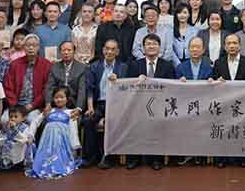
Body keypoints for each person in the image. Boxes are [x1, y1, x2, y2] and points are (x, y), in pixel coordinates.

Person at [126, 34, 177, 170]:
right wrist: (137, 82)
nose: (151, 46)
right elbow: (127, 86)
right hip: (138, 105)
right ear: (143, 48)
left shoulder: (167, 66)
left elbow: (172, 87)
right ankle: (134, 158)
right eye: (148, 44)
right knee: (134, 123)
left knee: (158, 124)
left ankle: (156, 159)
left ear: (159, 47)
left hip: (160, 106)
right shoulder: (134, 65)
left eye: (154, 44)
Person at [211, 33, 245, 168]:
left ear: (240, 45)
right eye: (229, 43)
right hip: (224, 104)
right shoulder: (218, 63)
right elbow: (213, 84)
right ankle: (221, 158)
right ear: (224, 46)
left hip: (243, 105)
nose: (232, 46)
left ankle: (242, 158)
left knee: (243, 130)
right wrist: (217, 82)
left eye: (234, 43)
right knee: (223, 130)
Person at [83, 39, 128, 169]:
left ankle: (109, 158)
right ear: (103, 50)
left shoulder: (123, 67)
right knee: (88, 120)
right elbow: (90, 89)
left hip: (116, 105)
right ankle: (91, 157)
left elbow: (126, 90)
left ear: (117, 52)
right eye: (107, 48)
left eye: (113, 49)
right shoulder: (94, 67)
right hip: (98, 104)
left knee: (112, 121)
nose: (109, 51)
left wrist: (118, 81)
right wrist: (90, 107)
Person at [25, 87, 86, 179]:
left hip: (62, 142)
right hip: (47, 142)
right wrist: (30, 135)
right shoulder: (49, 111)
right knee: (44, 160)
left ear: (67, 99)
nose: (59, 100)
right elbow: (35, 121)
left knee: (60, 159)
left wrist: (74, 146)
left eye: (62, 97)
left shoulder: (71, 112)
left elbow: (73, 130)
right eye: (56, 97)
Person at [4, 34, 52, 123]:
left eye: (34, 45)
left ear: (38, 47)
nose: (31, 48)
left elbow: (46, 89)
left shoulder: (46, 65)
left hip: (35, 106)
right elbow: (8, 87)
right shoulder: (15, 64)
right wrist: (15, 105)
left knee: (31, 120)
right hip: (16, 105)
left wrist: (33, 105)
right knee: (5, 120)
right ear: (23, 47)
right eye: (28, 45)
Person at [45, 41, 89, 113]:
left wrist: (79, 108)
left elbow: (82, 90)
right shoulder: (54, 67)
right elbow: (50, 87)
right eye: (63, 50)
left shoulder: (82, 68)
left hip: (74, 105)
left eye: (69, 50)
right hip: (57, 104)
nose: (66, 52)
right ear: (60, 52)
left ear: (74, 52)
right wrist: (48, 104)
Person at [0, 105, 34, 172]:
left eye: (16, 117)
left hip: (19, 148)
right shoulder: (6, 126)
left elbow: (23, 140)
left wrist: (14, 129)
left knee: (29, 144)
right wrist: (4, 131)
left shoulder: (25, 128)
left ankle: (25, 164)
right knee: (1, 145)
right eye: (11, 116)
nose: (13, 119)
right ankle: (1, 162)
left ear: (23, 118)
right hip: (8, 148)